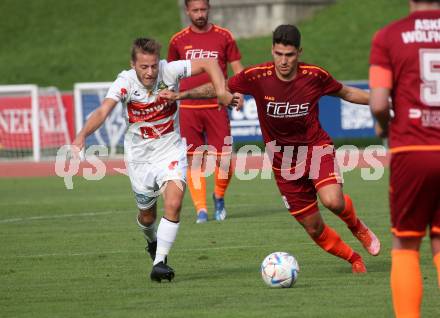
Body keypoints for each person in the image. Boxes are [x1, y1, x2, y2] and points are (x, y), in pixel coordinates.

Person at [161, 25, 381, 273]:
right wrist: (182, 95)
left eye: (289, 55)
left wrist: (384, 101)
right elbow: (219, 88)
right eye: (278, 54)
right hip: (283, 162)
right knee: (314, 227)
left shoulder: (314, 75)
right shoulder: (257, 76)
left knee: (333, 201)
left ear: (299, 52)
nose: (283, 61)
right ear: (272, 51)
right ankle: (353, 258)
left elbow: (348, 92)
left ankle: (357, 226)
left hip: (314, 149)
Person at [72, 38, 233, 282]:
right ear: (133, 65)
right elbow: (103, 110)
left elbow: (210, 63)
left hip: (170, 148)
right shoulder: (124, 82)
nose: (150, 72)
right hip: (139, 158)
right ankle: (152, 241)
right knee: (147, 217)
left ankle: (160, 262)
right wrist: (82, 135)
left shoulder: (170, 70)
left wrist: (221, 91)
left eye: (154, 66)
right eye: (144, 67)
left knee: (175, 201)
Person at [369, 1, 440, 316]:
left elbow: (380, 103)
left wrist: (384, 127)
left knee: (406, 245)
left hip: (412, 150)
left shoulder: (389, 36)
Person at [167, 0, 244, 223]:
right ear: (187, 11)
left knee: (225, 161)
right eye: (195, 10)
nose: (200, 14)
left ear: (209, 9)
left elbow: (238, 70)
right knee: (193, 161)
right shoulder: (178, 41)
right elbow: (171, 75)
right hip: (189, 109)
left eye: (203, 9)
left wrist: (238, 93)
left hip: (217, 106)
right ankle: (201, 210)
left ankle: (218, 196)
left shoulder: (224, 36)